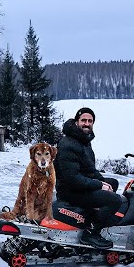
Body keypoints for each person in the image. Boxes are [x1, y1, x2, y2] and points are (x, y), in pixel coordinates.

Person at [54, 107, 122, 249]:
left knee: (113, 183)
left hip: (79, 187)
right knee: (115, 200)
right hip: (70, 191)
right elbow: (72, 179)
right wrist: (98, 185)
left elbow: (89, 169)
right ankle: (90, 233)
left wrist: (103, 181)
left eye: (90, 121)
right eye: (83, 120)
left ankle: (90, 215)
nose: (87, 123)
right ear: (77, 122)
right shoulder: (68, 144)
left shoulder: (83, 141)